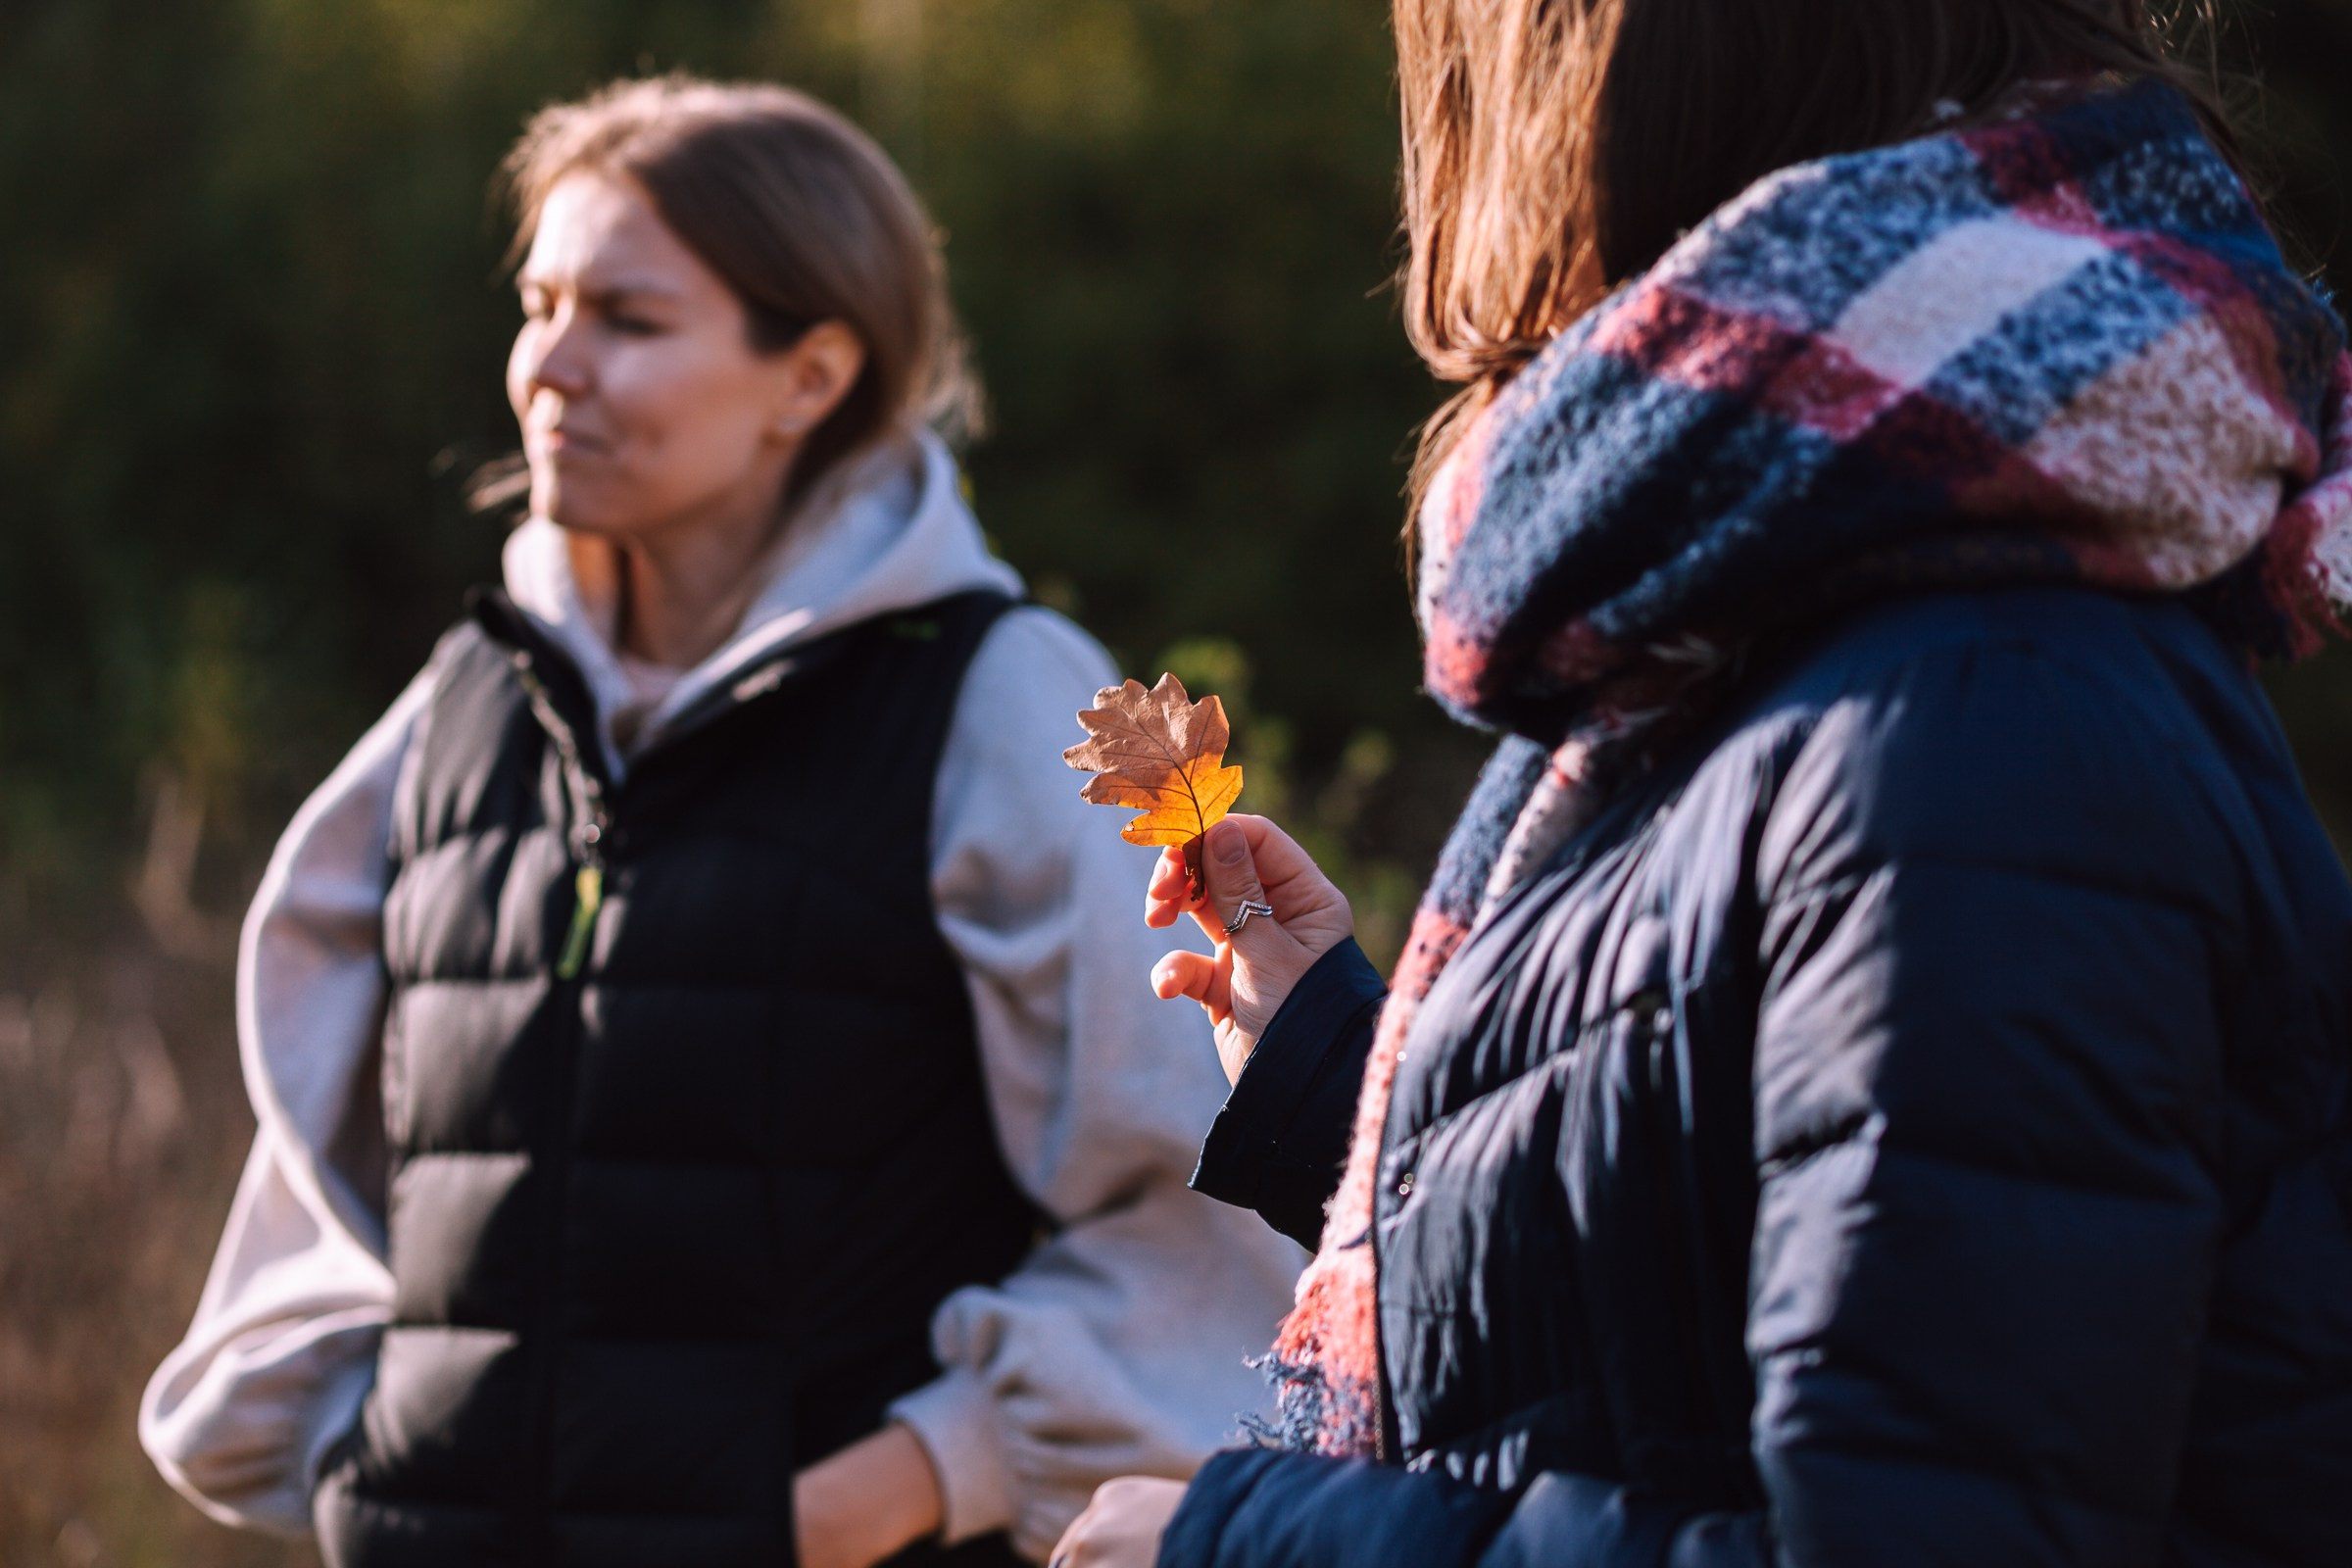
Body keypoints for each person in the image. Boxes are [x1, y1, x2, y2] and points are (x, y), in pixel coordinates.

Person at [1052, 2, 2352, 1564]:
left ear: (1574, 97)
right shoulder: (1805, 626)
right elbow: (1689, 1274)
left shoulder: (1969, 712)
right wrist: (1336, 1052)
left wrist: (1239, 1548)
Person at [138, 76, 1302, 1568]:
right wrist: (384, 1466)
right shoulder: (464, 703)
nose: (550, 365)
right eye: (539, 303)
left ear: (810, 375)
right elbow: (330, 1195)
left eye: (627, 319)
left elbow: (1196, 1212)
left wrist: (892, 1487)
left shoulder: (997, 701)